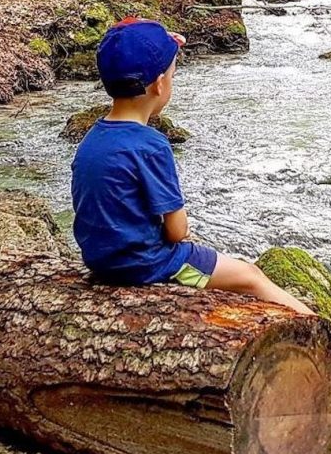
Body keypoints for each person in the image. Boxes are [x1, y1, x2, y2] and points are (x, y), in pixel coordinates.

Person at [71, 17, 314, 314]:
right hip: (147, 267)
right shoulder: (151, 145)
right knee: (251, 278)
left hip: (100, 262)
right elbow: (176, 231)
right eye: (172, 75)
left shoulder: (91, 139)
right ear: (160, 85)